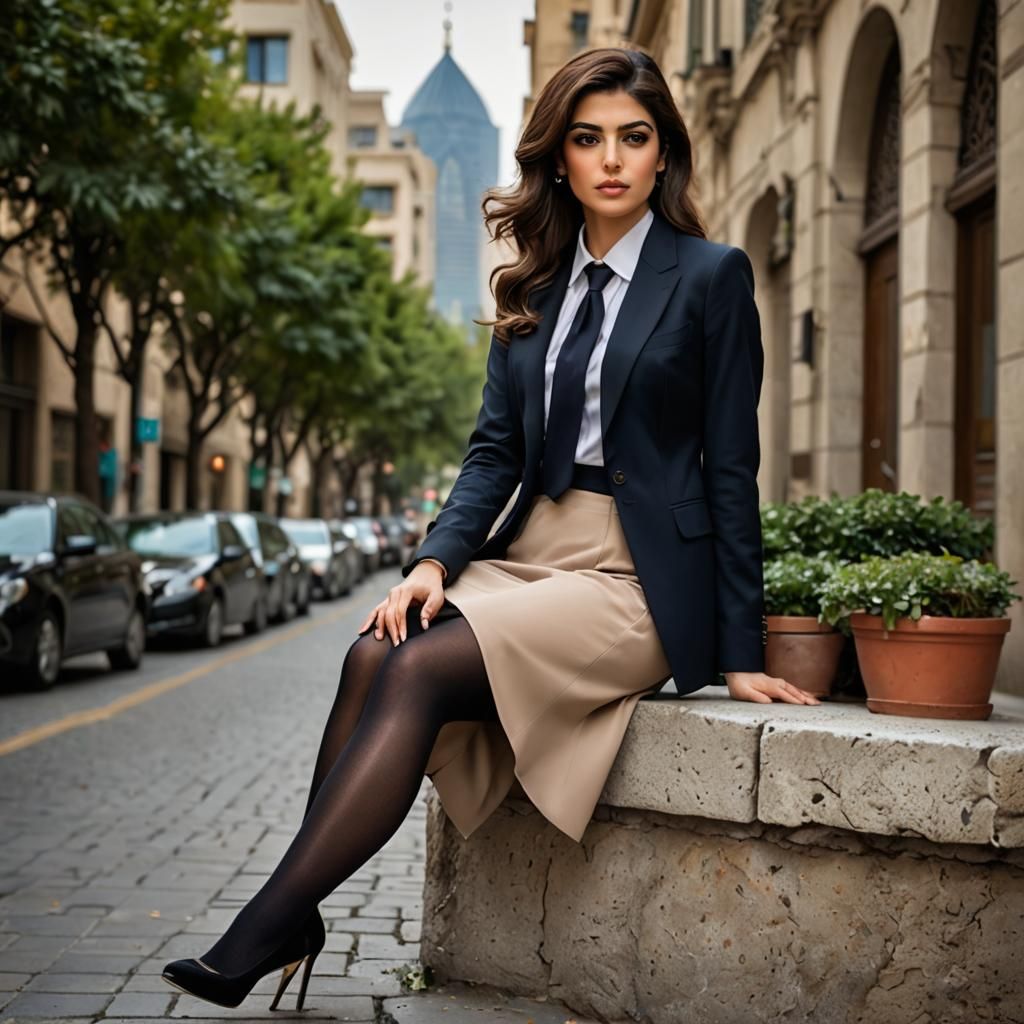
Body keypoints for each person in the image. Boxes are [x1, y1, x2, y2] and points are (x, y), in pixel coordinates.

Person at [161, 45, 822, 1012]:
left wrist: (739, 646)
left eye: (633, 139)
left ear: (662, 154)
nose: (610, 159)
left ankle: (266, 924)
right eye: (587, 139)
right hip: (532, 555)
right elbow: (491, 458)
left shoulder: (712, 277)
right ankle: (296, 910)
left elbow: (732, 470)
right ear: (559, 159)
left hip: (633, 580)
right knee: (372, 648)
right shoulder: (534, 289)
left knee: (421, 669)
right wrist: (434, 561)